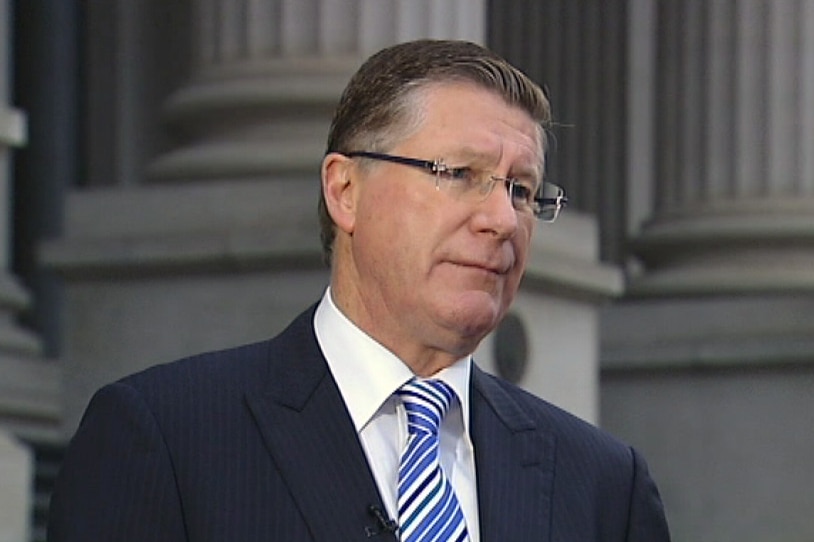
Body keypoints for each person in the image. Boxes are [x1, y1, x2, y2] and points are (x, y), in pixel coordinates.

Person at [48, 39, 670, 541]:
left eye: (523, 191)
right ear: (345, 191)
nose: (503, 219)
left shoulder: (602, 485)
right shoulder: (164, 440)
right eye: (458, 175)